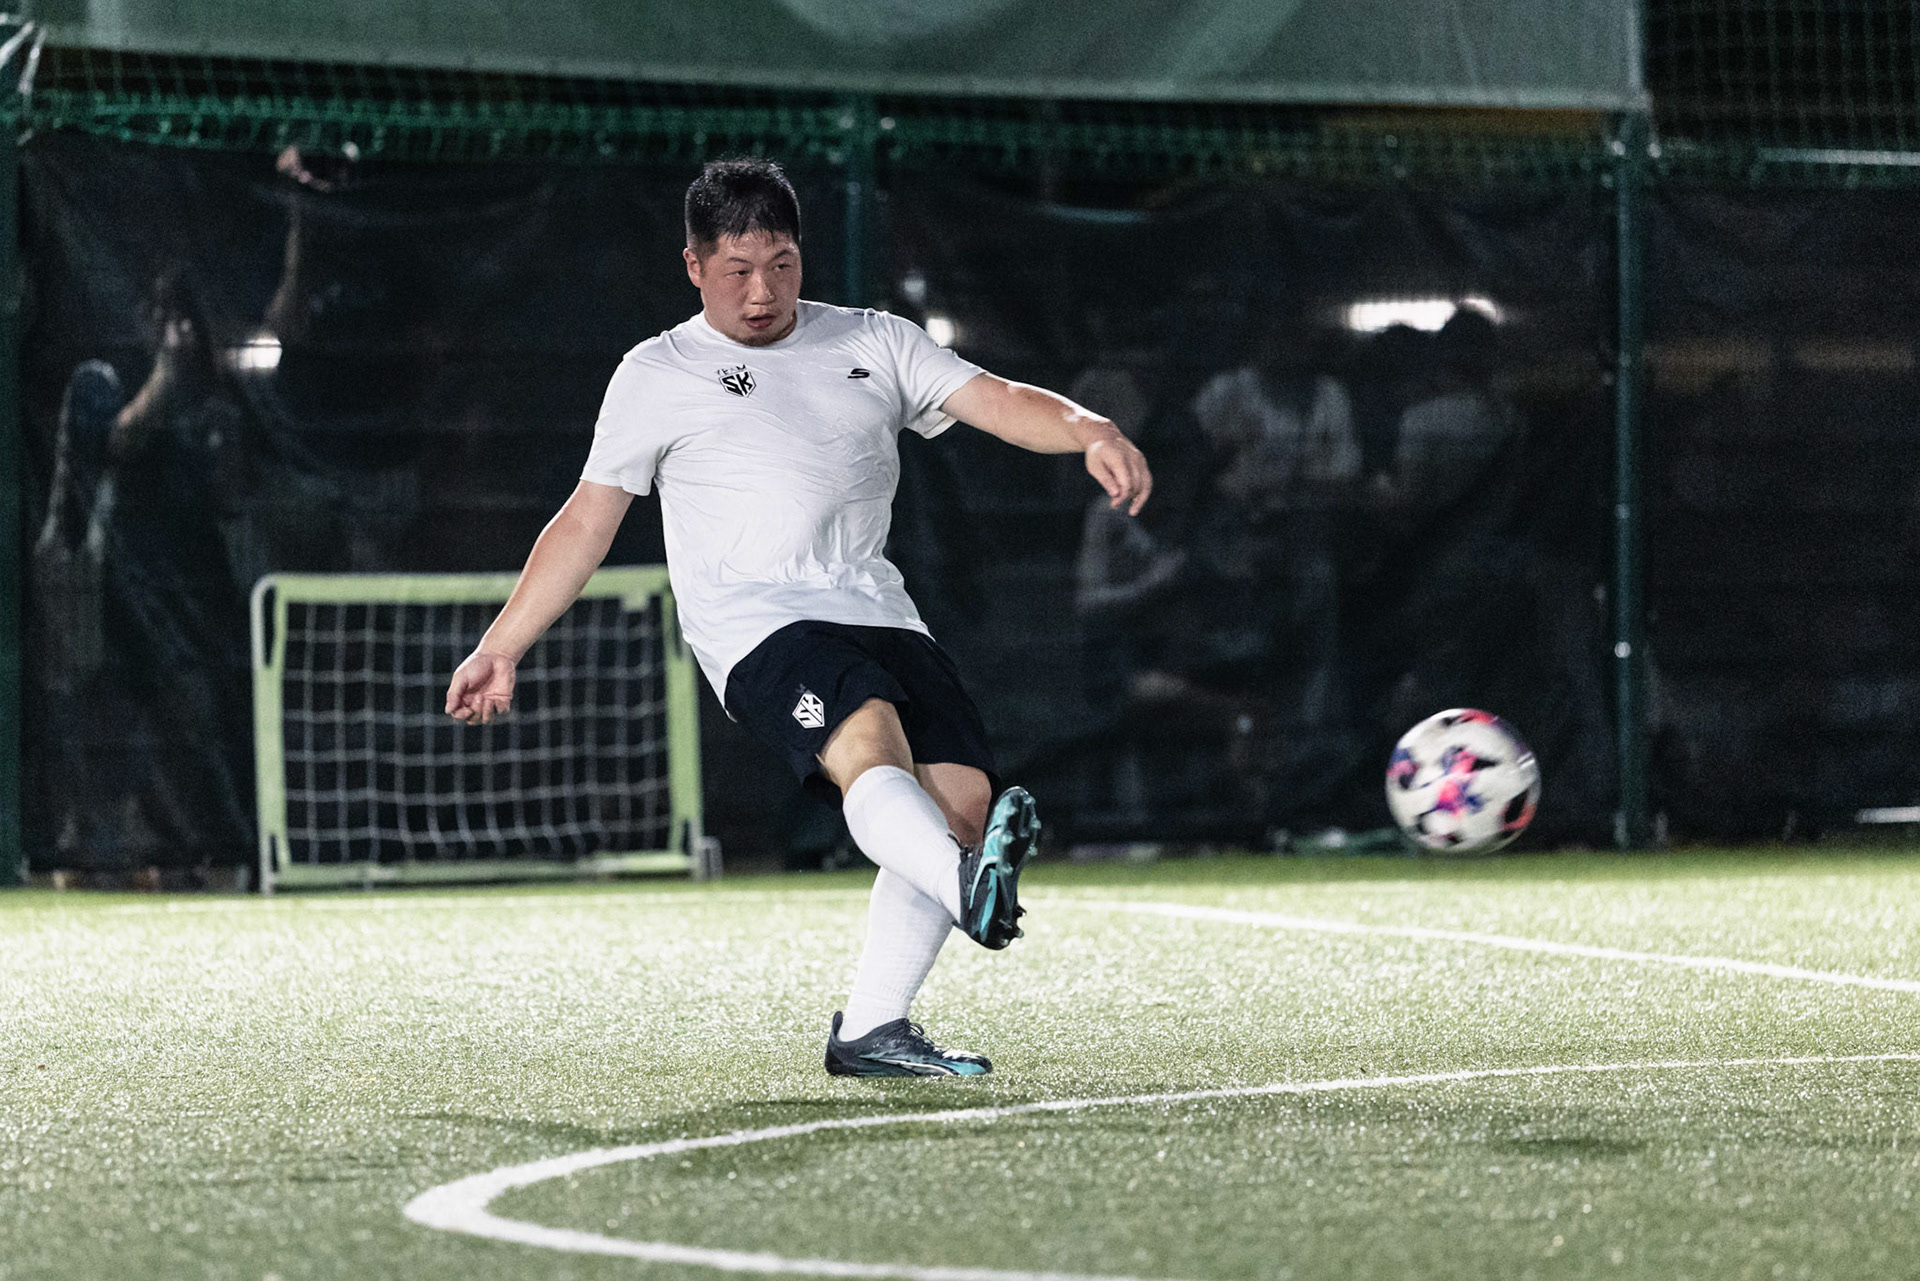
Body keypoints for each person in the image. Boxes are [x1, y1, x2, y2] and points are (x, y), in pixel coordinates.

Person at [443, 158, 1152, 1077]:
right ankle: (963, 887)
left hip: (878, 607)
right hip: (756, 621)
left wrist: (1091, 427)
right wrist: (502, 645)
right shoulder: (656, 372)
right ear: (693, 265)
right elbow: (586, 520)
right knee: (868, 735)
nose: (762, 291)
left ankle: (872, 1027)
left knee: (963, 801)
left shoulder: (875, 339)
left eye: (780, 265)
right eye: (737, 270)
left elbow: (998, 399)